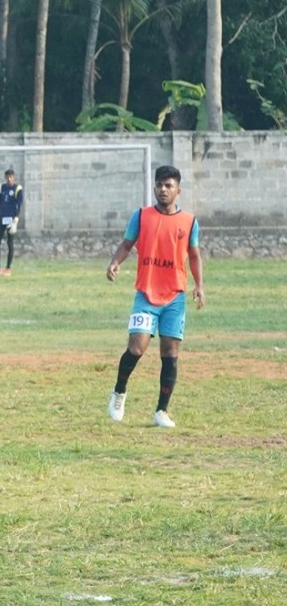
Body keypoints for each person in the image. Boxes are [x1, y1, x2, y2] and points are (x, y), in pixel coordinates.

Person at [105, 164, 205, 428]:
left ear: (178, 190)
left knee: (170, 352)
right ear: (154, 187)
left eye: (168, 186)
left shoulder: (189, 222)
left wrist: (199, 285)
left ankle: (161, 411)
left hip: (175, 297)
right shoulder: (141, 216)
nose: (163, 189)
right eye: (159, 185)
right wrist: (115, 262)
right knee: (136, 347)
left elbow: (194, 255)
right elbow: (127, 245)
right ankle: (119, 392)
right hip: (146, 294)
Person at [0, 168, 24, 276]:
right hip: (2, 218)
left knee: (10, 243)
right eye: (7, 177)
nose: (9, 179)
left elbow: (19, 204)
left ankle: (8, 268)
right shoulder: (1, 188)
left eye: (11, 176)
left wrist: (16, 217)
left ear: (14, 177)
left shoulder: (18, 189)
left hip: (11, 219)